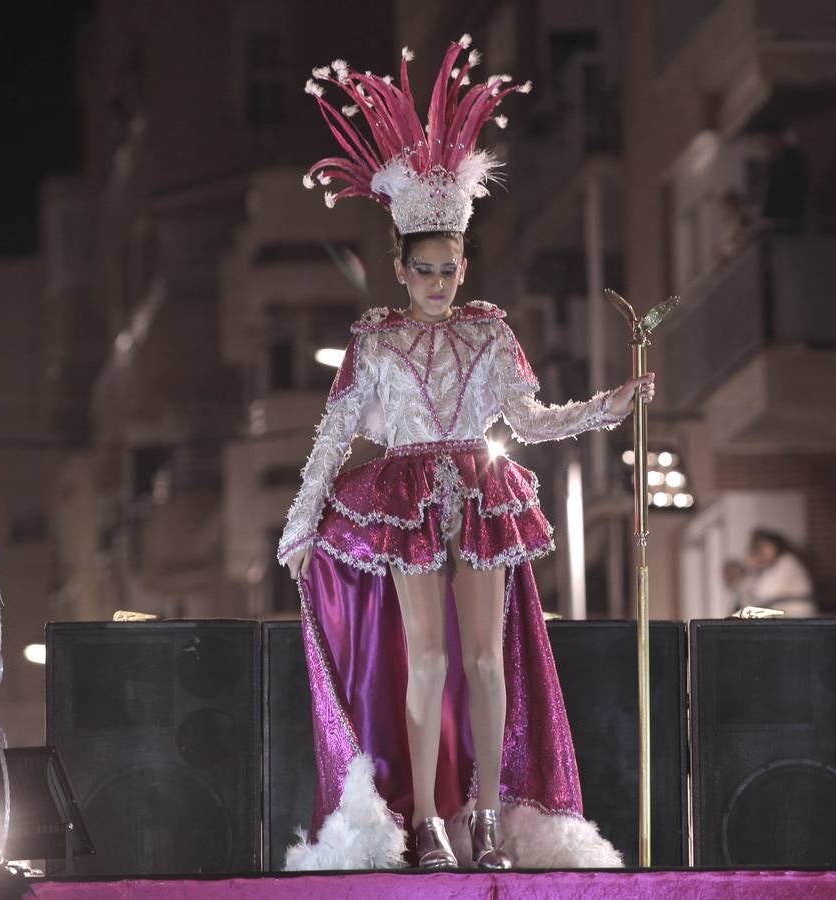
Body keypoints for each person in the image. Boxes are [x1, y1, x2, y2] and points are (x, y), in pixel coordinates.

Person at [277, 37, 655, 871]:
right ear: (400, 268)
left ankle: (486, 819)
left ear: (464, 263)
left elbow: (532, 418)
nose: (439, 284)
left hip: (481, 492)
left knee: (487, 661)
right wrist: (300, 525)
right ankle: (429, 823)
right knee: (430, 659)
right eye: (424, 272)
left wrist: (607, 408)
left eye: (449, 270)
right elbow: (333, 440)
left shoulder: (491, 330)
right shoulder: (371, 344)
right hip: (405, 497)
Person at [744, 528, 816, 617]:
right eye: (758, 547)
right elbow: (750, 597)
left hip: (799, 618)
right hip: (783, 617)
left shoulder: (787, 562)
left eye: (765, 545)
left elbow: (766, 595)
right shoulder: (768, 568)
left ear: (776, 545)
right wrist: (752, 570)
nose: (762, 551)